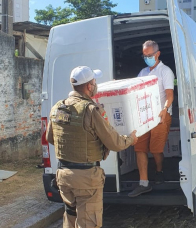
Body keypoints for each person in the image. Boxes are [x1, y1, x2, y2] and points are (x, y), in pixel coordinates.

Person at [46, 66, 138, 228]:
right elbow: (114, 143)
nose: (96, 85)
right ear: (89, 86)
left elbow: (50, 138)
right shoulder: (91, 110)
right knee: (88, 222)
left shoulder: (58, 107)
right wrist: (130, 139)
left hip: (64, 176)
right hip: (86, 178)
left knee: (70, 216)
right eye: (94, 82)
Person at [128, 40, 174, 197]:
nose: (147, 57)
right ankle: (143, 183)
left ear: (158, 54)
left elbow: (169, 95)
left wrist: (165, 108)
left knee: (156, 149)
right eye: (144, 55)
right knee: (139, 148)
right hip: (144, 117)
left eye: (150, 55)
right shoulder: (143, 72)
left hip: (161, 115)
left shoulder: (165, 71)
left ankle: (159, 171)